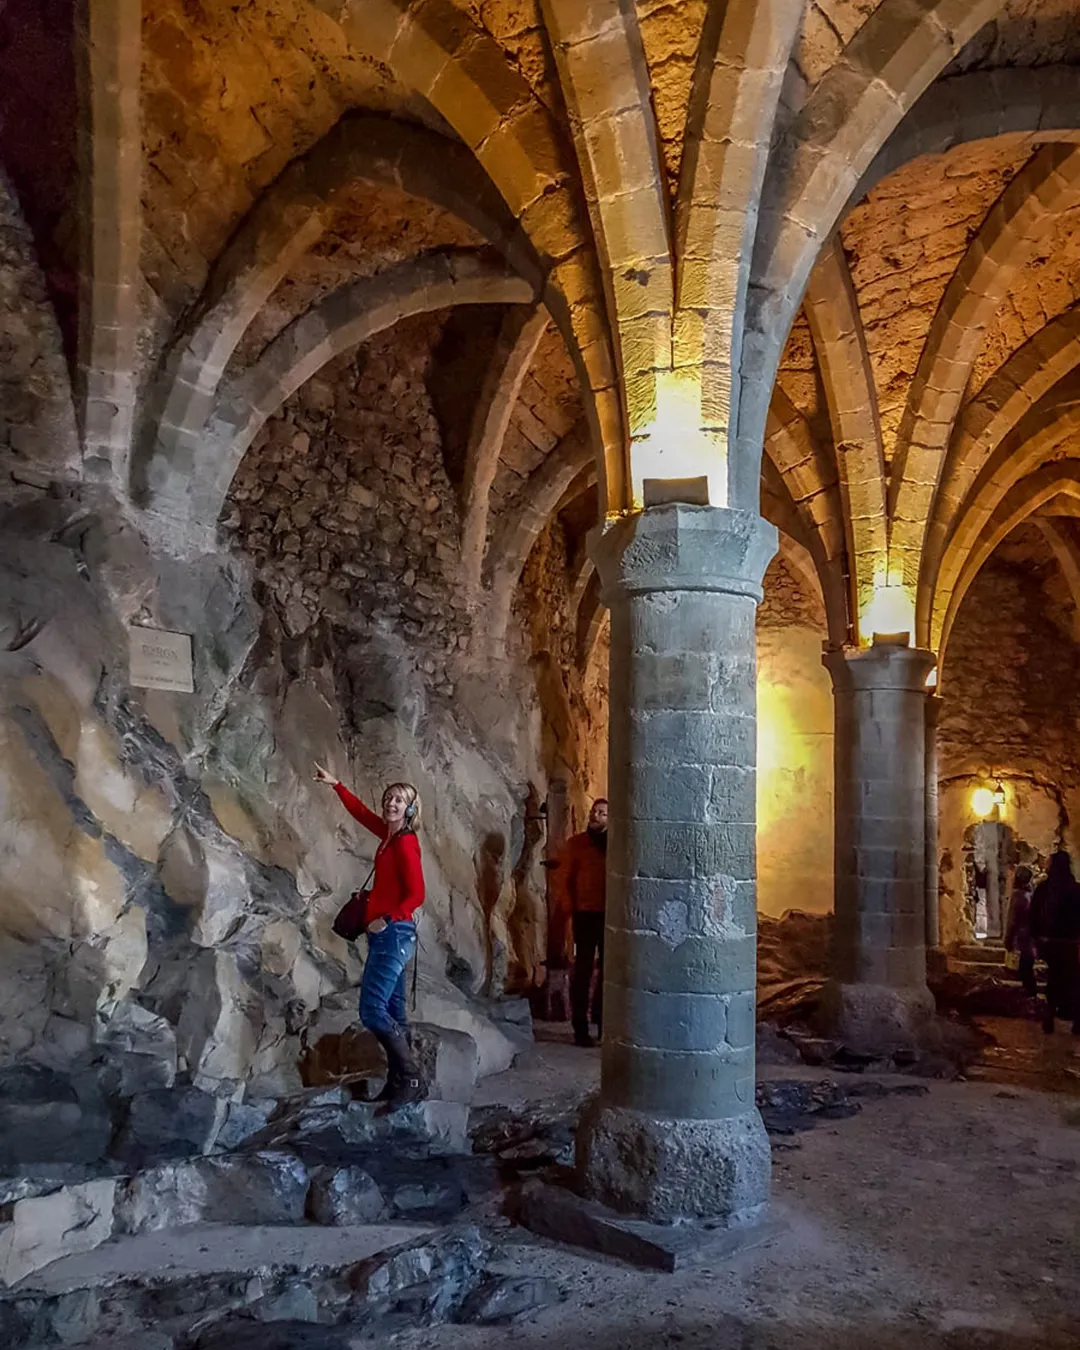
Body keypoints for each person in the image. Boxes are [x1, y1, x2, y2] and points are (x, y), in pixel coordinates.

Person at [314, 762, 426, 1106]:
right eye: (389, 797)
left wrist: (387, 919)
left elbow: (417, 894)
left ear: (410, 809)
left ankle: (411, 1078)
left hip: (394, 933)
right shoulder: (389, 837)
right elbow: (361, 814)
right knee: (394, 1011)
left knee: (372, 1010)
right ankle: (399, 1082)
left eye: (399, 799)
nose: (391, 802)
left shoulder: (405, 843)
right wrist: (336, 784)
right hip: (387, 934)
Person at [553, 798, 608, 1047]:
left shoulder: (616, 845)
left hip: (610, 915)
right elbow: (563, 878)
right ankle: (580, 1028)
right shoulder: (576, 845)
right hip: (585, 914)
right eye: (595, 811)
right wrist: (569, 908)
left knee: (609, 972)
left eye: (602, 813)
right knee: (583, 970)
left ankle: (603, 1023)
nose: (596, 816)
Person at [1029, 849, 1080, 1035]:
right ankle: (1076, 1021)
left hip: (1051, 943)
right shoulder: (1076, 889)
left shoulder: (1044, 889)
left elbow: (1033, 915)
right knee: (1074, 981)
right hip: (1072, 943)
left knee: (1054, 980)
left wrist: (1037, 937)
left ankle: (1050, 1015)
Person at [1004, 865, 1038, 998]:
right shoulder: (1030, 894)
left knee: (1025, 972)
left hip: (1022, 939)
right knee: (1027, 970)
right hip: (1030, 939)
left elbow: (1012, 920)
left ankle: (1031, 998)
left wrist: (1008, 940)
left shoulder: (1018, 895)